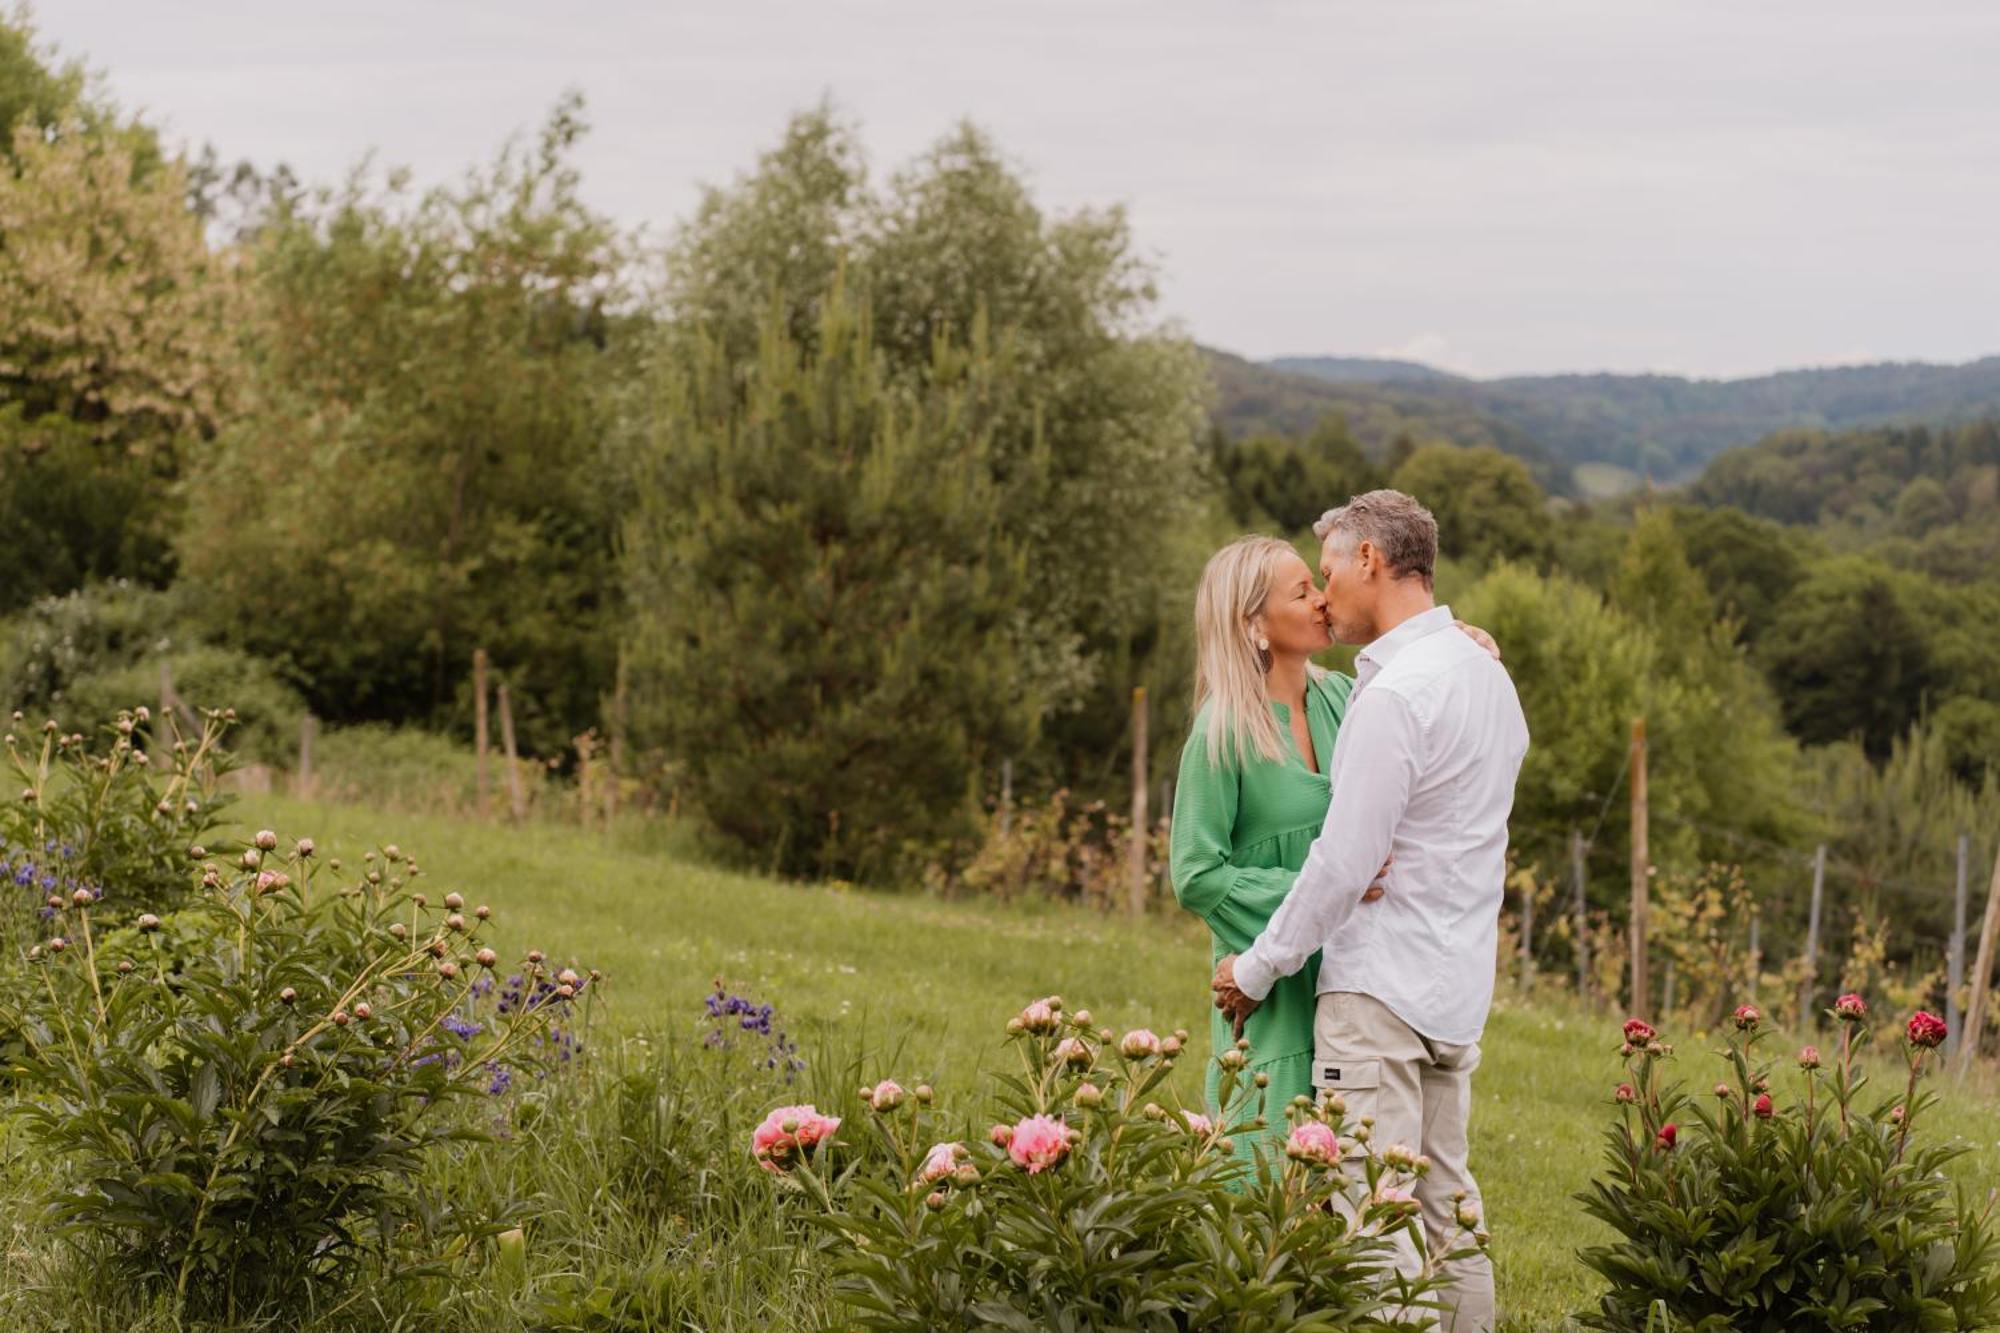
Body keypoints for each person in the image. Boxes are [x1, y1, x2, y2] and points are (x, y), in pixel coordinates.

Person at [1212, 491, 1529, 1333]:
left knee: (1370, 1223)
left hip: (1379, 996)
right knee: (1448, 1217)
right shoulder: (1486, 677)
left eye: (1328, 573)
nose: (1324, 596)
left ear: (1369, 561)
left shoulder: (1391, 699)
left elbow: (1344, 864)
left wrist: (1254, 967)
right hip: (1455, 993)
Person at [1170, 533, 1497, 1170]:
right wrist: (1314, 895)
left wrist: (1463, 643)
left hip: (1360, 977)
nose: (1323, 601)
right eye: (1302, 592)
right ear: (1253, 623)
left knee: (1361, 1172)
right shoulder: (1222, 732)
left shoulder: (1347, 699)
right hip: (1273, 988)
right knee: (1271, 1172)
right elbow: (1195, 874)